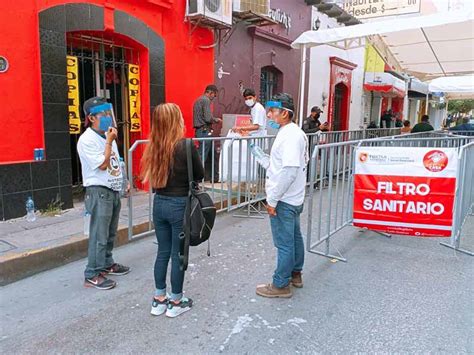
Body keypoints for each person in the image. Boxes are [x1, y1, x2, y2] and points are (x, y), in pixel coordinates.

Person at [141, 103, 204, 318]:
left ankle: (159, 299)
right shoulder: (185, 146)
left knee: (162, 252)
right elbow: (200, 174)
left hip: (159, 204)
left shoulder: (153, 146)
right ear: (176, 121)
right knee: (178, 255)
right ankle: (176, 301)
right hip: (179, 205)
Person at [256, 93, 308, 299]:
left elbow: (289, 171)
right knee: (294, 237)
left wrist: (272, 199)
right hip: (293, 197)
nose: (269, 114)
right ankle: (295, 274)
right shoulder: (292, 133)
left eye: (273, 111)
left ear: (285, 113)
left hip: (285, 200)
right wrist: (263, 159)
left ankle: (280, 284)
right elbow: (282, 167)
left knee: (284, 243)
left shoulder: (290, 136)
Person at [77, 97, 130, 290]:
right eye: (103, 114)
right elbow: (102, 163)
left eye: (109, 113)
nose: (108, 117)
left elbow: (116, 161)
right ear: (91, 118)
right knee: (99, 234)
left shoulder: (108, 135)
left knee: (110, 233)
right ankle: (92, 273)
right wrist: (109, 142)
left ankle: (107, 263)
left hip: (112, 190)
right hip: (98, 191)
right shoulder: (87, 140)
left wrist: (124, 180)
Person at [193, 84, 221, 181]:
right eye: (214, 95)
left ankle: (215, 177)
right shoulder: (206, 100)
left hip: (201, 131)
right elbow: (208, 118)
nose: (214, 97)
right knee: (203, 155)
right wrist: (216, 120)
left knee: (211, 154)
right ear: (210, 92)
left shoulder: (198, 100)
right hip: (204, 131)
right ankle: (197, 180)